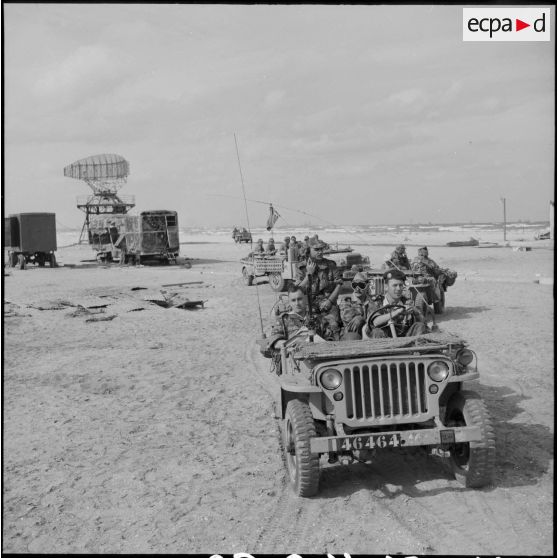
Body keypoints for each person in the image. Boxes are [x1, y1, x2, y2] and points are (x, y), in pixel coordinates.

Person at [296, 240, 343, 340]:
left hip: (328, 304)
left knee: (333, 326)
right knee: (310, 328)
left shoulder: (330, 265)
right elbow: (297, 291)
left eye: (321, 249)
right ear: (308, 250)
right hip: (309, 305)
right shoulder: (302, 267)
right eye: (316, 249)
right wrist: (308, 274)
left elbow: (339, 284)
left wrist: (329, 301)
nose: (320, 252)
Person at [363, 269, 427, 338]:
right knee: (377, 332)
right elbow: (376, 322)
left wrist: (415, 312)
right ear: (386, 287)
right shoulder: (376, 302)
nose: (399, 288)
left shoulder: (407, 302)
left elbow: (423, 322)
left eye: (401, 285)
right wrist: (397, 312)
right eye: (395, 285)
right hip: (383, 341)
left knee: (420, 326)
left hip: (405, 340)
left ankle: (418, 348)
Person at [338, 271, 373, 340]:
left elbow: (375, 319)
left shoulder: (373, 301)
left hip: (368, 333)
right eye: (354, 285)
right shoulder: (346, 301)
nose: (357, 289)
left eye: (361, 285)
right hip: (349, 335)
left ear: (367, 286)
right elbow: (348, 319)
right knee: (358, 320)